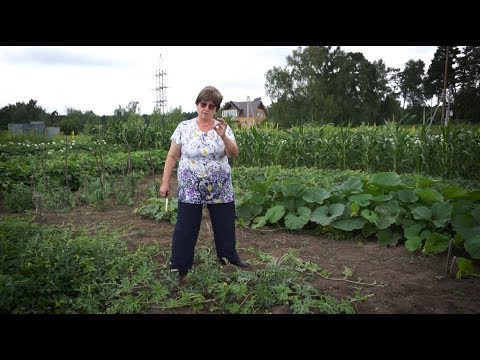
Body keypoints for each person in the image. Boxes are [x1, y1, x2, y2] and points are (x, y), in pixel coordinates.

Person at [159, 85, 249, 277]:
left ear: (216, 109)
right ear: (197, 104)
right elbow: (172, 156)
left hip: (220, 187)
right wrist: (165, 182)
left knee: (225, 225)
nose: (206, 108)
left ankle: (228, 259)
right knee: (186, 226)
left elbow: (234, 154)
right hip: (190, 188)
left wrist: (223, 136)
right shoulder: (184, 127)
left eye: (211, 105)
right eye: (203, 104)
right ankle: (179, 265)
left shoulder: (222, 128)